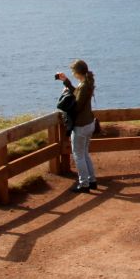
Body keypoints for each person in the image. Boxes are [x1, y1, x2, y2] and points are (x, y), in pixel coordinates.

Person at [56, 59, 97, 192]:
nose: (73, 74)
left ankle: (84, 184)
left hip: (81, 125)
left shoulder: (84, 85)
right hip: (89, 123)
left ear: (77, 72)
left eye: (73, 72)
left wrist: (66, 98)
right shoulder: (86, 83)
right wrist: (66, 82)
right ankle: (92, 181)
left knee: (78, 155)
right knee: (84, 153)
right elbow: (79, 95)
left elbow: (77, 106)